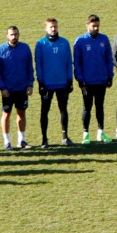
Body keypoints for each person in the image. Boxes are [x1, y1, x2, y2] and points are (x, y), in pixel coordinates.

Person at [74, 14, 115, 143]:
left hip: (101, 80)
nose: (96, 28)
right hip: (87, 82)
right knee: (87, 107)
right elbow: (77, 62)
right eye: (93, 26)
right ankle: (85, 134)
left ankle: (101, 132)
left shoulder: (104, 39)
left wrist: (110, 76)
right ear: (87, 25)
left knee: (100, 106)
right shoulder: (80, 41)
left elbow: (109, 59)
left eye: (97, 25)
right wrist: (80, 79)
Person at [0, 25, 35, 150]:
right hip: (8, 89)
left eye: (16, 34)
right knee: (6, 114)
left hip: (22, 88)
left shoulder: (25, 48)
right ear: (7, 36)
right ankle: (7, 141)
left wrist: (30, 84)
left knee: (21, 113)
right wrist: (2, 88)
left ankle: (21, 140)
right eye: (11, 34)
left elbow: (29, 68)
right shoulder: (0, 50)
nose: (14, 37)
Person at [35, 17, 75, 147]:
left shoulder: (64, 43)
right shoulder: (40, 44)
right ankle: (44, 139)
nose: (53, 29)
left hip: (62, 83)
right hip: (47, 84)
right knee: (44, 111)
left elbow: (69, 62)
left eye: (55, 26)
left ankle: (65, 137)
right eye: (51, 27)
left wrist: (70, 80)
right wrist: (41, 82)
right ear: (46, 28)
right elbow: (38, 64)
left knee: (63, 109)